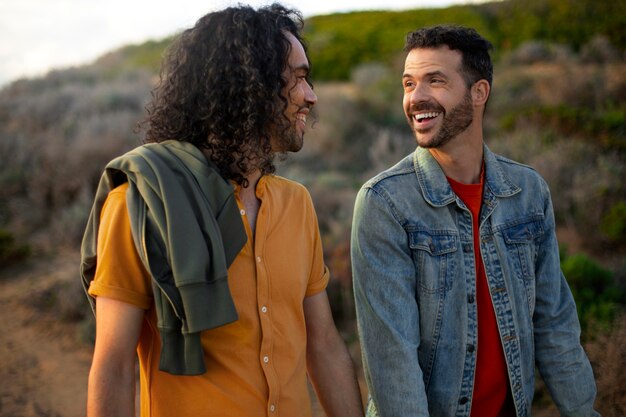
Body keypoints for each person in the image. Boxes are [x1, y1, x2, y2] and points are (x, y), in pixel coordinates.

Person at [80, 4, 364, 417]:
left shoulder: (296, 204)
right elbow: (114, 366)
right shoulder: (141, 206)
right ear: (251, 86)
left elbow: (322, 345)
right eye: (299, 78)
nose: (311, 96)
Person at [351, 25, 599, 417]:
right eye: (409, 83)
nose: (416, 98)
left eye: (435, 81)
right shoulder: (385, 203)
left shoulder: (528, 192)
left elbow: (555, 326)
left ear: (479, 92)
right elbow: (392, 363)